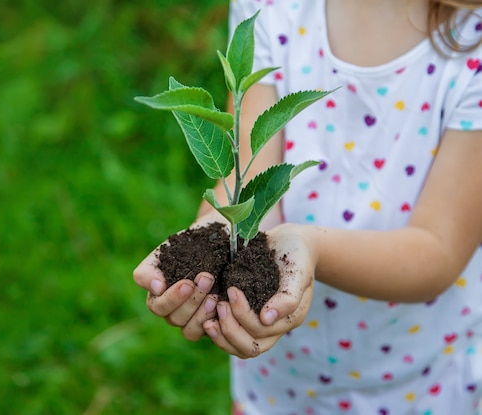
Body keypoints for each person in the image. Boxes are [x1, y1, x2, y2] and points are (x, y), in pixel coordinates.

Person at [133, 0, 482, 413]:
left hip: (417, 382)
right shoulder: (270, 9)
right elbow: (249, 175)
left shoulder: (471, 50)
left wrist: (310, 247)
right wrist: (214, 233)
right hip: (280, 373)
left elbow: (437, 250)